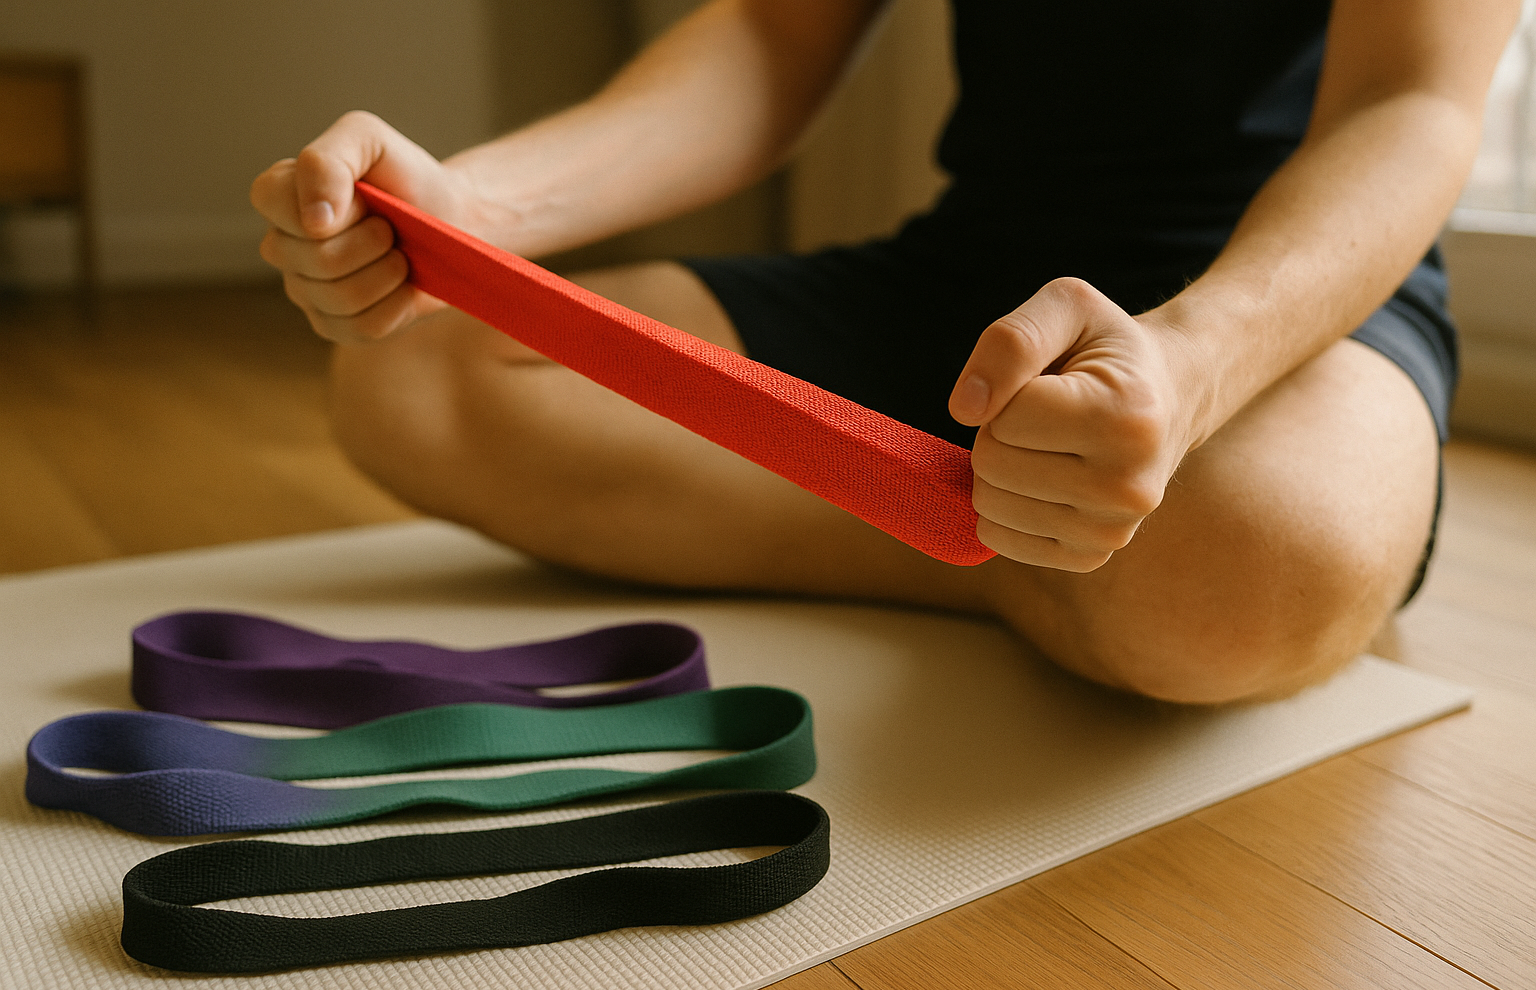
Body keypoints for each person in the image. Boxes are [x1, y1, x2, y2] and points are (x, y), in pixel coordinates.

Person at [250, 0, 1519, 703]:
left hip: (1275, 302)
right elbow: (769, 39)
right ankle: (1000, 546)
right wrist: (478, 215)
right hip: (973, 276)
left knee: (1251, 562)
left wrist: (1189, 367)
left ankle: (1002, 521)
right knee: (414, 371)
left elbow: (1408, 102)